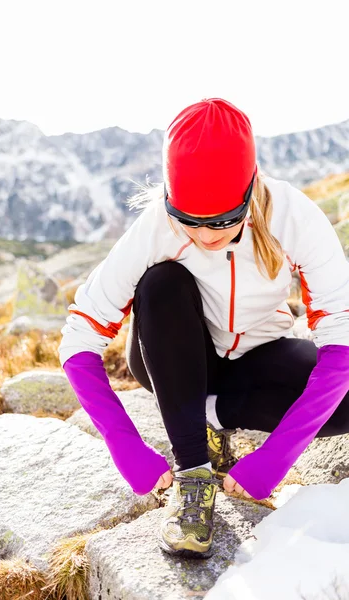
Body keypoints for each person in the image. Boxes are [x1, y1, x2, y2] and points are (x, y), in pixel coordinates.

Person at [59, 98, 349, 559]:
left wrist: (277, 456)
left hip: (259, 353)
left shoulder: (295, 216)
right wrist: (124, 444)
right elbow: (79, 338)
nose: (205, 237)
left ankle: (211, 414)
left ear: (250, 190)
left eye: (223, 223)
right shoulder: (154, 226)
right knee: (161, 283)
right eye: (188, 221)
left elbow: (342, 346)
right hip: (174, 356)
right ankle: (194, 473)